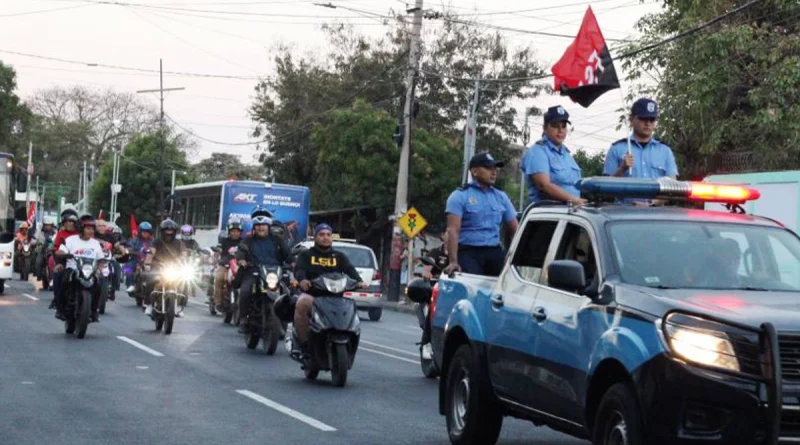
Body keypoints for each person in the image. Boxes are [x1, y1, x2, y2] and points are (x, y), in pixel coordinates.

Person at [293, 223, 366, 355]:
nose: (325, 238)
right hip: (314, 297)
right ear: (315, 237)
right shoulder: (306, 255)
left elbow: (350, 270)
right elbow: (300, 270)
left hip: (336, 298)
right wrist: (303, 280)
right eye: (321, 235)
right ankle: (303, 344)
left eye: (328, 235)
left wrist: (359, 282)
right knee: (301, 302)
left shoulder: (339, 256)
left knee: (352, 308)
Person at [443, 152, 519, 277]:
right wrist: (453, 261)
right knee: (473, 287)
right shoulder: (459, 196)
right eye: (488, 168)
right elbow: (453, 230)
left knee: (506, 284)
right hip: (468, 252)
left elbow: (515, 229)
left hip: (494, 250)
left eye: (495, 168)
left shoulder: (501, 197)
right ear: (474, 171)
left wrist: (515, 259)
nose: (494, 172)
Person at [603, 97, 678, 206]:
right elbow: (605, 189)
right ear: (632, 120)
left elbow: (673, 187)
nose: (648, 123)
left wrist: (652, 204)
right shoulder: (617, 149)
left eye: (652, 119)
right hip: (623, 214)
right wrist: (622, 169)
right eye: (643, 118)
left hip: (657, 215)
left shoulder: (665, 151)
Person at [234, 207, 291, 330]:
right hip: (253, 272)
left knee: (287, 294)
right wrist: (242, 260)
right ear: (254, 227)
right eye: (258, 225)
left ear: (268, 226)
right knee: (245, 291)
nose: (261, 227)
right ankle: (243, 318)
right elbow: (240, 251)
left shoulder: (278, 240)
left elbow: (288, 254)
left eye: (263, 225)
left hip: (275, 273)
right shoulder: (248, 240)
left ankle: (284, 321)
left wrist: (293, 262)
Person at [521, 105, 586, 206]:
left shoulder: (567, 155)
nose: (560, 130)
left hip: (570, 214)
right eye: (555, 125)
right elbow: (543, 185)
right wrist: (575, 200)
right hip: (547, 215)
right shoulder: (538, 151)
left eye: (563, 126)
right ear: (544, 128)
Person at [55, 214, 104, 322]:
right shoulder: (71, 240)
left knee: (99, 285)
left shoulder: (96, 243)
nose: (91, 231)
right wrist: (62, 254)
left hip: (90, 270)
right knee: (63, 281)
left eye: (92, 229)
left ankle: (94, 311)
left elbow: (101, 259)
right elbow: (61, 250)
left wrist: (100, 269)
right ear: (81, 229)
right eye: (88, 228)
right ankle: (60, 309)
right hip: (73, 268)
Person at [142, 219, 185, 316]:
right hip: (158, 266)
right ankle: (148, 304)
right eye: (167, 230)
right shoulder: (157, 242)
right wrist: (147, 264)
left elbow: (183, 255)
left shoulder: (179, 243)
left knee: (184, 282)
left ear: (174, 231)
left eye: (171, 231)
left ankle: (179, 306)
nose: (169, 233)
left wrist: (184, 262)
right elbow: (151, 253)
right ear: (162, 231)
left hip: (174, 267)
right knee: (150, 279)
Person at [51, 207, 80, 314]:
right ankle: (58, 301)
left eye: (72, 221)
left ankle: (95, 306)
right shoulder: (61, 234)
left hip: (83, 263)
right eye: (68, 221)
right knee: (58, 274)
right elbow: (56, 250)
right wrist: (59, 263)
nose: (70, 224)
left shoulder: (81, 233)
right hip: (66, 261)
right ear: (64, 222)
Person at [212, 218, 243, 312]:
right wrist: (218, 250)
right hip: (225, 265)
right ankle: (217, 301)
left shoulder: (244, 242)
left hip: (239, 267)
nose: (235, 233)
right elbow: (219, 248)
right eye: (233, 231)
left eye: (237, 231)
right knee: (219, 278)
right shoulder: (224, 241)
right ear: (229, 232)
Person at [126, 222, 153, 293]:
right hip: (136, 260)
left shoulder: (153, 242)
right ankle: (130, 285)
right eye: (143, 231)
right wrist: (130, 250)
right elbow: (129, 247)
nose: (145, 233)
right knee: (127, 268)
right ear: (140, 232)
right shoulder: (135, 240)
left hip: (149, 261)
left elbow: (158, 249)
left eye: (147, 232)